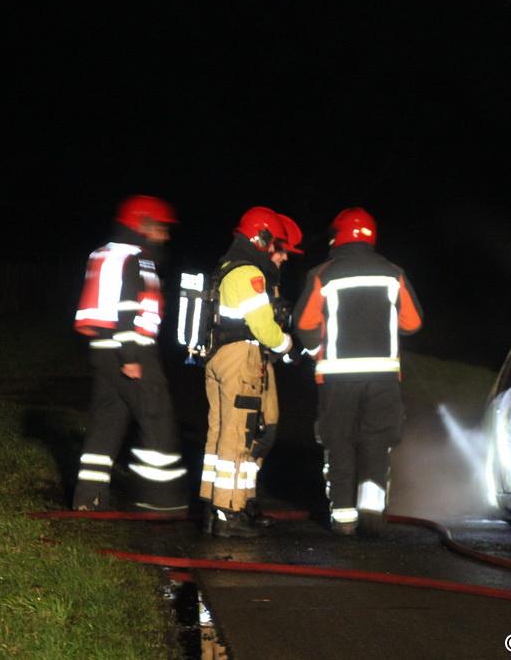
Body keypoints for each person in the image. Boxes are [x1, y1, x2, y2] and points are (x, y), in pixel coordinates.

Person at [294, 207, 422, 536]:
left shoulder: (322, 274)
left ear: (337, 237)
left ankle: (343, 520)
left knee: (339, 444)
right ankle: (372, 514)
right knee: (376, 443)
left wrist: (316, 351)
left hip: (337, 378)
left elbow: (305, 324)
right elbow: (412, 323)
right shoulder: (393, 273)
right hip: (383, 378)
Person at [73, 195, 187, 512]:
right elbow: (126, 307)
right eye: (161, 228)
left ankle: (88, 498)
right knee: (157, 418)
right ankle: (159, 501)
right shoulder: (137, 257)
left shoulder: (103, 253)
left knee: (106, 423)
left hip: (101, 348)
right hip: (131, 347)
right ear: (143, 225)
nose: (164, 235)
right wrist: (131, 357)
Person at [199, 206, 294, 537]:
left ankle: (216, 507)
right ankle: (229, 513)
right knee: (239, 433)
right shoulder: (249, 273)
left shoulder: (226, 267)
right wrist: (285, 343)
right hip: (240, 359)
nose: (279, 254)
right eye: (276, 245)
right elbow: (263, 328)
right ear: (262, 239)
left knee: (220, 432)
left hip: (218, 357)